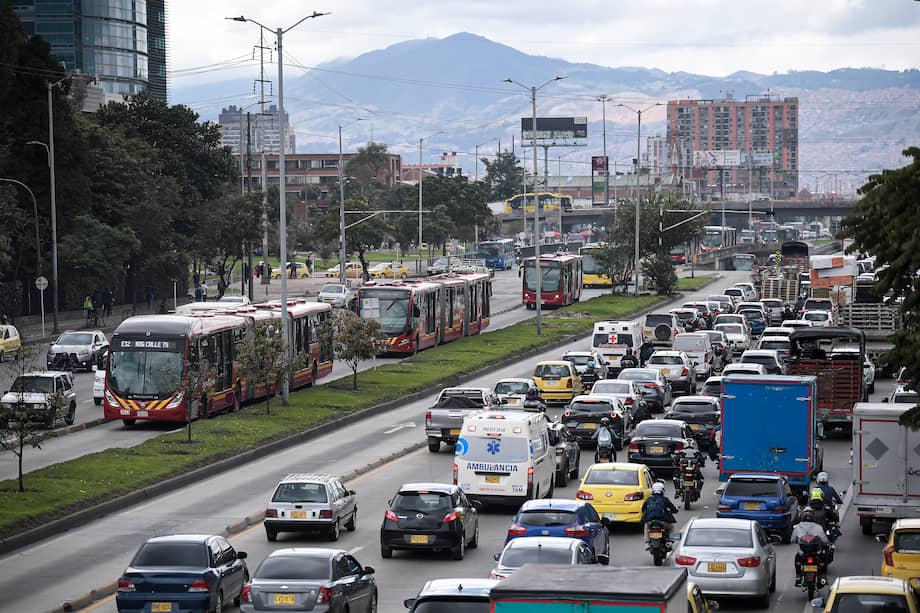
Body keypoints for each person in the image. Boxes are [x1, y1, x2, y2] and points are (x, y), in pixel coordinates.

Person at [792, 507, 830, 586]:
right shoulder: (818, 527)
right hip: (816, 553)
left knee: (797, 560)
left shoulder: (798, 527)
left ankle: (798, 576)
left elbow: (792, 539)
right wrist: (827, 543)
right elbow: (824, 540)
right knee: (824, 560)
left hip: (803, 553)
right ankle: (823, 576)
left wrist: (797, 540)